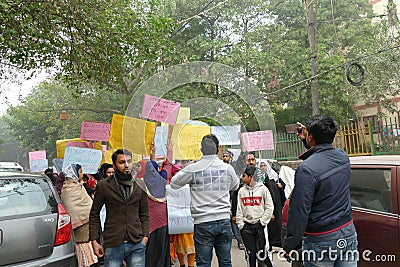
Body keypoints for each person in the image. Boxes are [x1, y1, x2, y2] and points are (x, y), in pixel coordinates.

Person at [283, 115, 358, 266]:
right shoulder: (342, 157)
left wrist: (290, 243)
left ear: (311, 137)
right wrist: (308, 139)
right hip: (348, 231)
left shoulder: (306, 170)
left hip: (321, 239)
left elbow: (299, 211)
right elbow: (321, 155)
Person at [170, 134, 239, 267]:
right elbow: (235, 186)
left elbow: (174, 184)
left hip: (203, 222)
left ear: (201, 150)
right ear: (218, 149)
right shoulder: (227, 168)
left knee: (203, 263)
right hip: (224, 220)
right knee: (225, 261)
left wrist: (188, 168)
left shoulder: (193, 169)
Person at [89, 149, 150, 267]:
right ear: (114, 165)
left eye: (129, 161)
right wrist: (94, 241)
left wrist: (145, 237)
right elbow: (94, 214)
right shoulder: (104, 186)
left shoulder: (140, 185)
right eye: (122, 162)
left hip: (137, 241)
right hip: (113, 242)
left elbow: (145, 214)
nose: (126, 165)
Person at [236, 165, 274, 267]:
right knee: (250, 254)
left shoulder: (263, 189)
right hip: (246, 227)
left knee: (262, 253)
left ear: (251, 177)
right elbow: (239, 209)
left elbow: (269, 207)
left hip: (259, 226)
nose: (242, 178)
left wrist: (262, 222)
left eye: (244, 176)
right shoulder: (241, 191)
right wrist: (241, 226)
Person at [61, 164, 98, 267]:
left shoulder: (78, 185)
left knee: (87, 244)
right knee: (81, 246)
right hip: (78, 225)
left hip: (86, 223)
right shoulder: (69, 188)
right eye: (80, 172)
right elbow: (72, 207)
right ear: (74, 173)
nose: (82, 174)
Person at [141, 160, 170, 267]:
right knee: (161, 249)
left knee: (150, 250)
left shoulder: (141, 182)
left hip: (148, 222)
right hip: (163, 220)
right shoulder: (162, 180)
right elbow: (168, 165)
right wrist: (169, 149)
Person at [223, 150, 245, 251]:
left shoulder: (234, 167)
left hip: (234, 195)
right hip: (224, 197)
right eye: (223, 156)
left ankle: (241, 240)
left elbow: (241, 159)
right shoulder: (220, 168)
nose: (224, 158)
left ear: (230, 158)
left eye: (227, 156)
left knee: (235, 218)